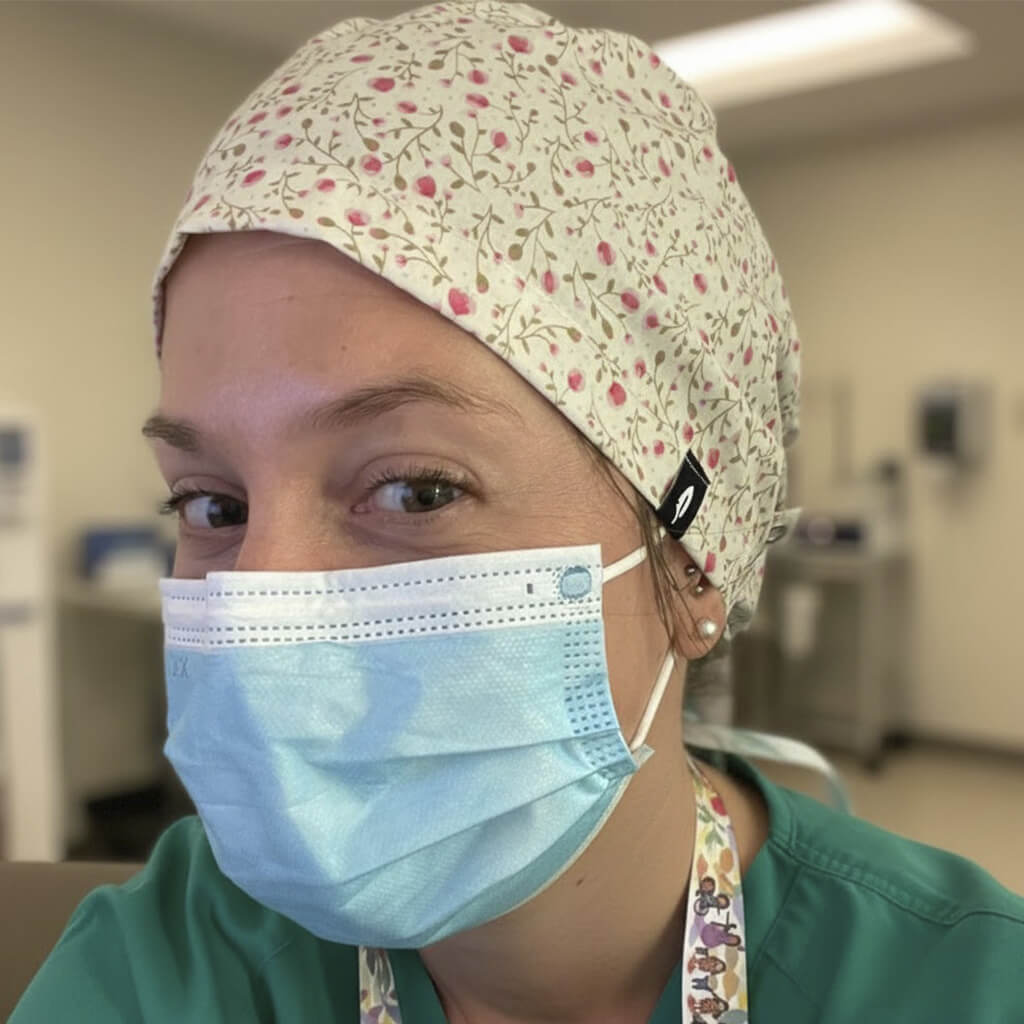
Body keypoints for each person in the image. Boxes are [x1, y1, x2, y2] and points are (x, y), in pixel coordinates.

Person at [13, 2, 1024, 1022]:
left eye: (417, 490)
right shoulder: (168, 964)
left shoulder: (962, 988)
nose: (258, 604)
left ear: (692, 557)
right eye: (212, 503)